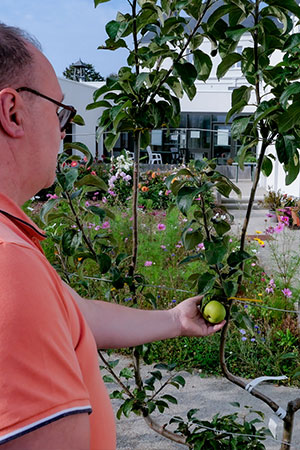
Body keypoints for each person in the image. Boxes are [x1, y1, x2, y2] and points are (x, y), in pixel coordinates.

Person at [0, 23, 225, 450]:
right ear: (12, 112)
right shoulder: (9, 263)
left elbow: (75, 313)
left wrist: (175, 320)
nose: (64, 129)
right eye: (58, 110)